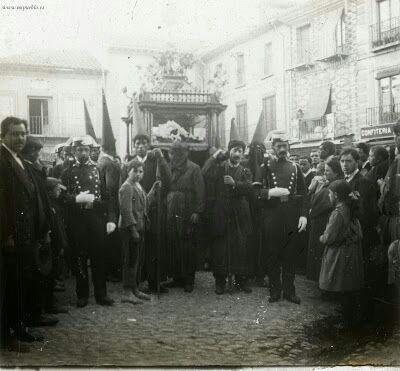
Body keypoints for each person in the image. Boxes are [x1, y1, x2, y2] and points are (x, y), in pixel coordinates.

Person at [0, 117, 50, 352]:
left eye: (22, 134)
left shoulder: (20, 160)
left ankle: (19, 328)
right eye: (14, 134)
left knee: (21, 284)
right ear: (3, 136)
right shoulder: (2, 160)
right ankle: (6, 335)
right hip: (10, 236)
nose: (20, 138)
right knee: (9, 286)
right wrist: (6, 235)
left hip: (26, 235)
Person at [61, 137, 116, 308]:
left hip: (96, 219)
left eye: (85, 149)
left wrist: (110, 219)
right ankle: (82, 294)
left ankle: (101, 294)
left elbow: (107, 197)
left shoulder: (98, 170)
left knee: (99, 256)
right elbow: (61, 197)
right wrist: (76, 199)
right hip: (77, 221)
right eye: (79, 150)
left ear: (91, 150)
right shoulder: (67, 172)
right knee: (79, 257)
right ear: (74, 151)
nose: (83, 153)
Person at [256, 132, 308, 304]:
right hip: (272, 216)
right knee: (272, 255)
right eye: (279, 146)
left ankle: (289, 291)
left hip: (291, 216)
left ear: (289, 147)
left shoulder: (295, 167)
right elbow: (255, 192)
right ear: (273, 148)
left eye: (285, 146)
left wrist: (303, 215)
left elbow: (303, 193)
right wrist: (270, 192)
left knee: (289, 255)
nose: (282, 149)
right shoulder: (265, 167)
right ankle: (275, 291)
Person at [121, 133, 171, 293]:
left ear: (148, 145)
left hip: (152, 212)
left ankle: (153, 282)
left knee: (153, 247)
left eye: (144, 143)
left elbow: (168, 181)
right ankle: (136, 284)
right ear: (134, 146)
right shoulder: (128, 165)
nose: (141, 146)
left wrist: (161, 159)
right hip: (135, 214)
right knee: (136, 250)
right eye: (137, 144)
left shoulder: (155, 162)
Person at [202, 139, 253, 294]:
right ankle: (220, 281)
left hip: (239, 214)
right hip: (221, 212)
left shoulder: (245, 171)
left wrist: (235, 184)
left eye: (240, 151)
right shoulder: (219, 168)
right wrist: (215, 157)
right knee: (220, 247)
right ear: (229, 151)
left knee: (240, 247)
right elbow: (204, 172)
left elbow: (250, 188)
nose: (237, 154)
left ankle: (240, 280)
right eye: (235, 150)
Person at [319, 179, 364, 326]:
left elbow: (329, 237)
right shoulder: (351, 208)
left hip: (341, 255)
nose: (329, 197)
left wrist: (321, 237)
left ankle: (347, 319)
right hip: (352, 252)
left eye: (330, 194)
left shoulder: (337, 213)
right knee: (349, 286)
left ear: (336, 195)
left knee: (342, 285)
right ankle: (349, 315)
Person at [165, 141, 205, 293]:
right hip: (171, 209)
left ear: (186, 154)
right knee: (173, 242)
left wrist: (197, 211)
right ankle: (176, 278)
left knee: (187, 245)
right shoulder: (168, 167)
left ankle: (189, 279)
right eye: (173, 153)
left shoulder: (194, 168)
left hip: (187, 209)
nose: (176, 156)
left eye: (179, 153)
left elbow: (201, 192)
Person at [119, 160, 159, 303]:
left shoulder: (137, 186)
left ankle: (135, 289)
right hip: (129, 229)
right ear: (128, 171)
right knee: (129, 260)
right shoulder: (127, 187)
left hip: (139, 228)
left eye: (141, 171)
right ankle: (127, 291)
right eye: (135, 171)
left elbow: (143, 203)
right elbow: (126, 210)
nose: (138, 174)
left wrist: (153, 191)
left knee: (136, 260)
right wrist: (133, 229)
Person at [307, 157, 343, 282]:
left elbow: (325, 203)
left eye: (328, 171)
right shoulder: (327, 183)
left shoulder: (335, 185)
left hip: (324, 221)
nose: (325, 173)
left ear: (336, 172)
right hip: (318, 220)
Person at [44, 177, 69, 315]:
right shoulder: (50, 207)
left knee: (53, 273)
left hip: (57, 244)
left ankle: (51, 301)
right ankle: (50, 304)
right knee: (50, 275)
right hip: (53, 246)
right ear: (50, 191)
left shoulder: (55, 205)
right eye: (57, 188)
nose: (59, 190)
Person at [97, 145, 122, 283]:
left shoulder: (100, 162)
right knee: (113, 239)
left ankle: (106, 271)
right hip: (111, 204)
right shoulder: (110, 164)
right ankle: (113, 271)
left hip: (102, 205)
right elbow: (111, 187)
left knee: (106, 239)